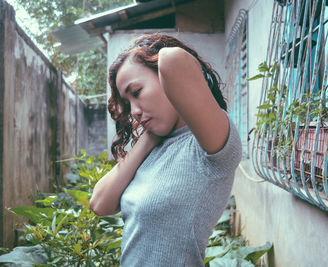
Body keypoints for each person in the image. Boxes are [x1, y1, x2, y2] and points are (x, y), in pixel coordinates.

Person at [90, 34, 242, 266]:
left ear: (163, 77)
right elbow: (99, 204)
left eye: (137, 92)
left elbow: (172, 59)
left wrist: (141, 50)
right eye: (128, 102)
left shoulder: (210, 147)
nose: (134, 112)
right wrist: (149, 137)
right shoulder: (156, 146)